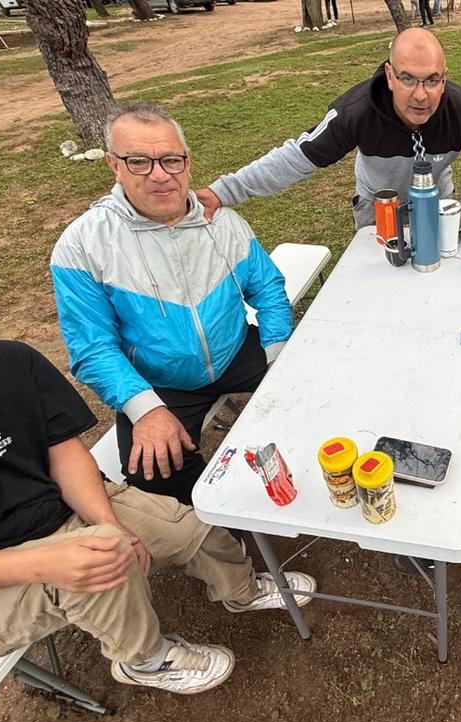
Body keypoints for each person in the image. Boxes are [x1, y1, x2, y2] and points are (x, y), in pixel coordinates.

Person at [0, 240, 317, 694]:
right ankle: (144, 660)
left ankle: (241, 588)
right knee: (100, 562)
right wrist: (52, 556)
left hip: (56, 510)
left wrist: (108, 522)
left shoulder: (10, 361)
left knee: (190, 526)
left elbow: (64, 452)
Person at [51, 102, 292, 504]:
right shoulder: (81, 246)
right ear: (114, 165)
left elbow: (267, 289)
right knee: (155, 473)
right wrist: (144, 409)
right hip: (161, 381)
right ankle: (227, 540)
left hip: (235, 351)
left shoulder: (224, 223)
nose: (160, 174)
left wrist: (279, 351)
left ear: (187, 161)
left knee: (316, 390)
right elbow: (92, 348)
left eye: (170, 160)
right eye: (140, 162)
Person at [196, 28, 461, 229]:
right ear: (390, 76)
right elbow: (294, 159)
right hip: (377, 209)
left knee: (437, 285)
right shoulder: (355, 111)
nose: (421, 95)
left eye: (432, 80)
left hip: (437, 202)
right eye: (407, 79)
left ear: (444, 77)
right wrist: (223, 191)